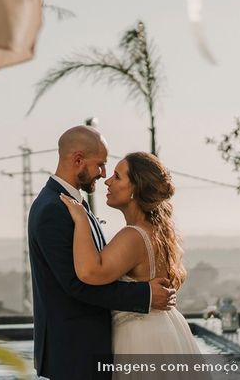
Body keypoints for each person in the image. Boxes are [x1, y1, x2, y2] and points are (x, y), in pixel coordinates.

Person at [28, 126, 177, 380]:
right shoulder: (54, 209)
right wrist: (145, 294)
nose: (104, 175)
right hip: (75, 352)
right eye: (101, 165)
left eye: (113, 173)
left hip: (92, 351)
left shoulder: (72, 204)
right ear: (78, 160)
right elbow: (75, 284)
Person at [59, 151, 201, 377]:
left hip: (142, 339)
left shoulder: (133, 236)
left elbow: (89, 272)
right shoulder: (157, 232)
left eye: (116, 176)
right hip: (167, 331)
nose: (107, 181)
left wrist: (81, 220)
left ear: (135, 188)